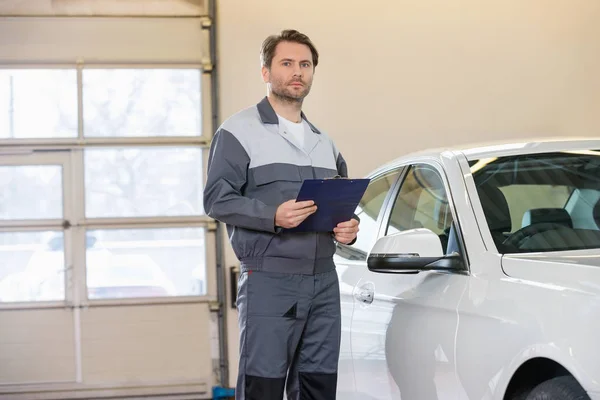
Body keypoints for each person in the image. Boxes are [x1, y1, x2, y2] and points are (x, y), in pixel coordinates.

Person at [203, 29, 360, 400]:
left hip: (324, 280)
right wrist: (273, 215)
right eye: (286, 63)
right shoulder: (238, 132)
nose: (297, 72)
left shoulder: (325, 141)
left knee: (318, 386)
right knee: (264, 386)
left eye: (305, 64)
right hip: (270, 280)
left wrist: (349, 229)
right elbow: (216, 199)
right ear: (265, 71)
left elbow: (341, 206)